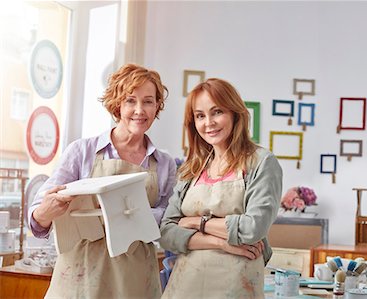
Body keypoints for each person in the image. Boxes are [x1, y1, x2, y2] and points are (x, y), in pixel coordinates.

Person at [28, 63, 176, 298]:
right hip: (82, 273)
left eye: (148, 101)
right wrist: (46, 212)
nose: (140, 110)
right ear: (117, 104)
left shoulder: (165, 163)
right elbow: (37, 217)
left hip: (134, 275)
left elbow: (169, 221)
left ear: (157, 105)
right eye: (130, 100)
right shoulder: (82, 151)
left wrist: (128, 216)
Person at [159, 78, 282, 298]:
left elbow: (253, 228)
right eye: (200, 116)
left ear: (235, 113)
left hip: (236, 285)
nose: (209, 122)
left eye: (217, 112)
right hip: (185, 285)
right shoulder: (191, 169)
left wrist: (196, 222)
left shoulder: (261, 162)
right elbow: (167, 232)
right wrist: (223, 244)